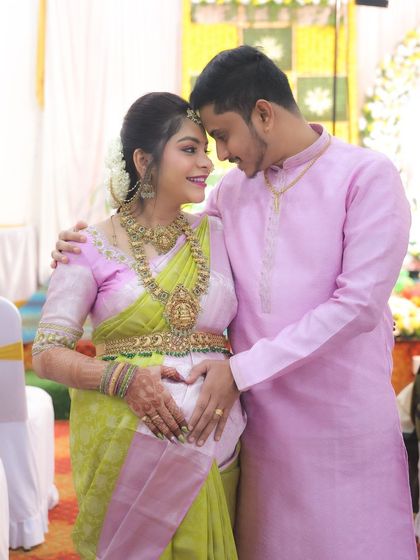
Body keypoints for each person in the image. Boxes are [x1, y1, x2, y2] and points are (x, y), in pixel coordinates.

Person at [52, 46, 416, 559]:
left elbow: (357, 306)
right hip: (258, 431)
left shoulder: (366, 176)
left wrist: (240, 370)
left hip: (341, 428)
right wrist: (81, 244)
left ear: (263, 113)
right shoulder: (233, 195)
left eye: (222, 135)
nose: (219, 155)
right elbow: (161, 241)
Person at [34, 92, 245, 560]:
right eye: (189, 149)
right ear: (144, 160)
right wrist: (123, 378)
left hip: (218, 435)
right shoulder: (88, 246)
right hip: (129, 440)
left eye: (206, 149)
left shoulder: (219, 232)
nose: (206, 162)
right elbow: (47, 353)